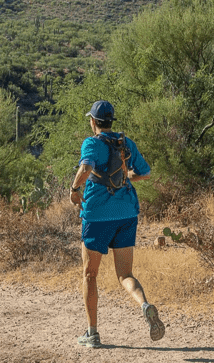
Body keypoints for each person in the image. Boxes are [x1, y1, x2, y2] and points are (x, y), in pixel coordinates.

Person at [69, 100, 165, 348]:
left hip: (97, 216)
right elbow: (144, 173)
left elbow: (86, 166)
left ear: (93, 122)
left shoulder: (91, 143)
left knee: (90, 274)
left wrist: (74, 189)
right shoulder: (125, 143)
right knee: (125, 274)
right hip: (126, 214)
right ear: (111, 121)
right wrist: (125, 176)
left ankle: (92, 334)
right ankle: (144, 305)